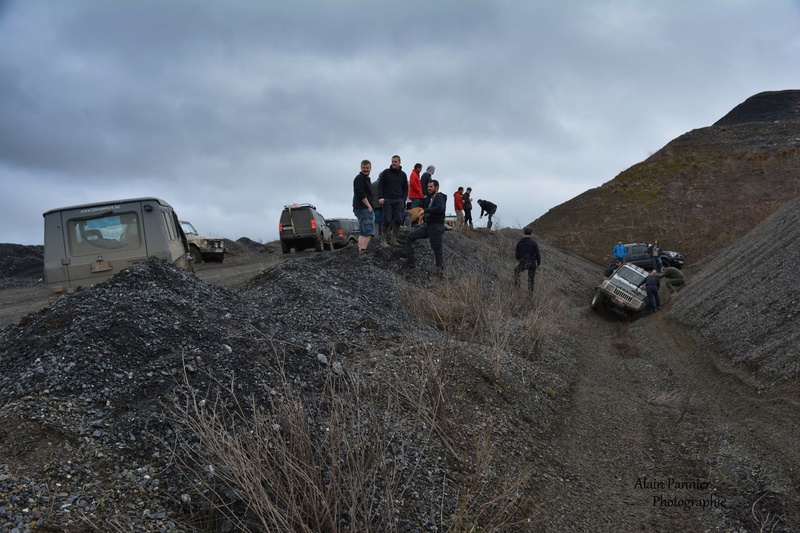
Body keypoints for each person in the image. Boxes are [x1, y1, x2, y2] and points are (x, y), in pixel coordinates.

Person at [404, 179, 447, 273]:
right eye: (428, 187)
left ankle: (440, 272)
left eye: (431, 186)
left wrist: (426, 210)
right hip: (428, 226)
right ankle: (410, 262)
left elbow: (440, 208)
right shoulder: (431, 198)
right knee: (410, 237)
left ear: (437, 187)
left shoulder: (439, 197)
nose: (429, 188)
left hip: (436, 227)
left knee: (437, 250)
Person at [377, 155, 409, 247]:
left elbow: (405, 188)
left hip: (399, 199)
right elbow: (380, 185)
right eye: (392, 161)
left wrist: (403, 199)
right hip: (388, 199)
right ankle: (383, 240)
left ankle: (393, 239)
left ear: (399, 162)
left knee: (399, 219)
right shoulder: (386, 173)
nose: (394, 163)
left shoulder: (403, 175)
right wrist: (381, 197)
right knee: (387, 219)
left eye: (395, 161)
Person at [352, 159, 374, 254]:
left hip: (360, 208)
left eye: (367, 168)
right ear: (361, 168)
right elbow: (360, 193)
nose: (365, 169)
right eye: (363, 168)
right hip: (363, 207)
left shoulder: (366, 179)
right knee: (369, 231)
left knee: (362, 231)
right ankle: (363, 250)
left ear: (370, 168)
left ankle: (361, 250)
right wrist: (368, 205)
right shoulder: (359, 178)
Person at [514, 227, 541, 292]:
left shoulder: (519, 242)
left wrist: (520, 260)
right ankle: (530, 295)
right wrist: (538, 263)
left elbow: (517, 254)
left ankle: (517, 289)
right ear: (531, 233)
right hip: (532, 262)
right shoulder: (533, 242)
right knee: (531, 279)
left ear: (524, 233)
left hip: (523, 261)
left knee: (516, 271)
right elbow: (537, 254)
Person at [371, 178, 383, 244]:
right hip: (381, 204)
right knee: (381, 221)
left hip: (374, 205)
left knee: (375, 220)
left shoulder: (373, 184)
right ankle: (380, 234)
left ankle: (375, 235)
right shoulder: (383, 184)